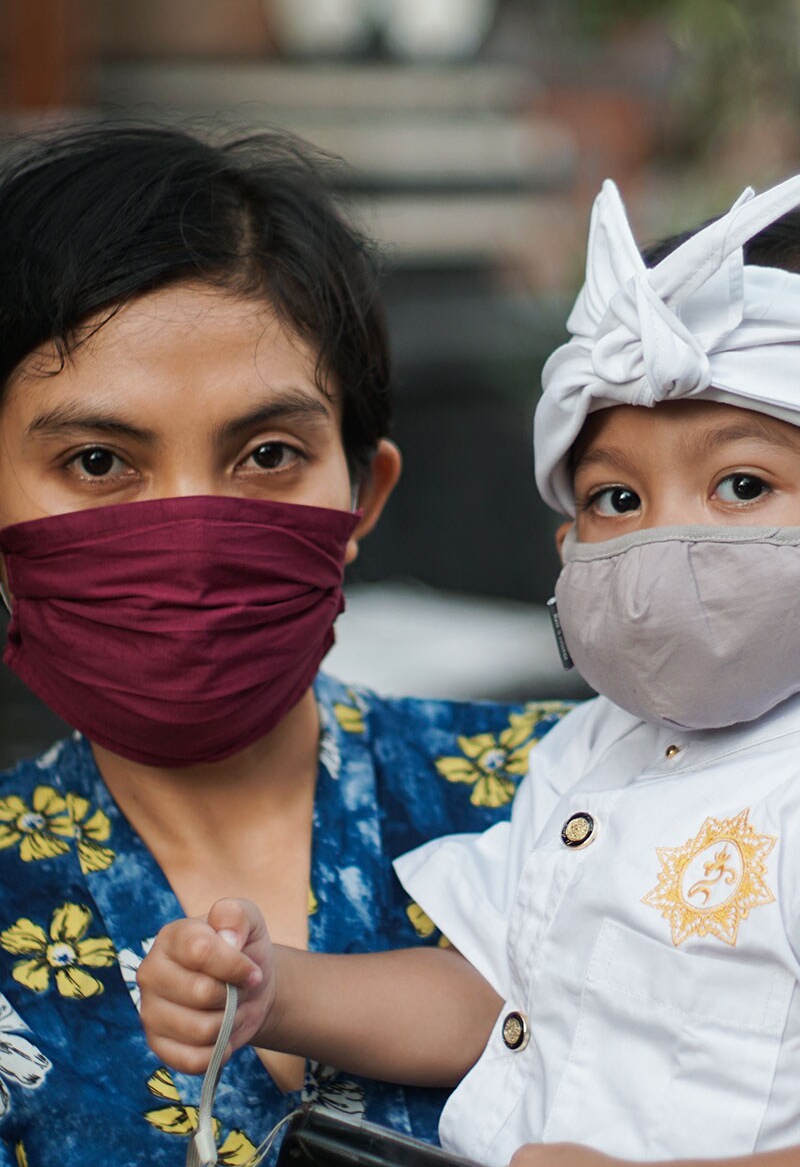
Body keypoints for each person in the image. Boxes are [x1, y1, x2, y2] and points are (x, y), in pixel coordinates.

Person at [140, 171, 800, 1167]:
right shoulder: (588, 755)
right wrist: (279, 992)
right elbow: (491, 993)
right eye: (615, 499)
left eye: (740, 484)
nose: (662, 539)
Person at [0, 122, 570, 1167]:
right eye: (98, 462)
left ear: (363, 497)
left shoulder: (581, 807)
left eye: (266, 453)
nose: (192, 540)